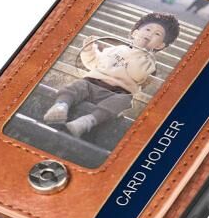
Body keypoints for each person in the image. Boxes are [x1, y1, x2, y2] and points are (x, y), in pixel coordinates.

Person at [43, 12, 180, 138]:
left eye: (157, 34)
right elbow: (94, 62)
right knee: (76, 86)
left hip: (117, 93)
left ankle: (87, 121)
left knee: (123, 101)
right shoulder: (115, 49)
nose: (149, 34)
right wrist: (89, 50)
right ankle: (61, 106)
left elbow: (136, 75)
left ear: (160, 46)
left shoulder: (149, 62)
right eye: (148, 30)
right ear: (135, 33)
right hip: (92, 83)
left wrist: (139, 51)